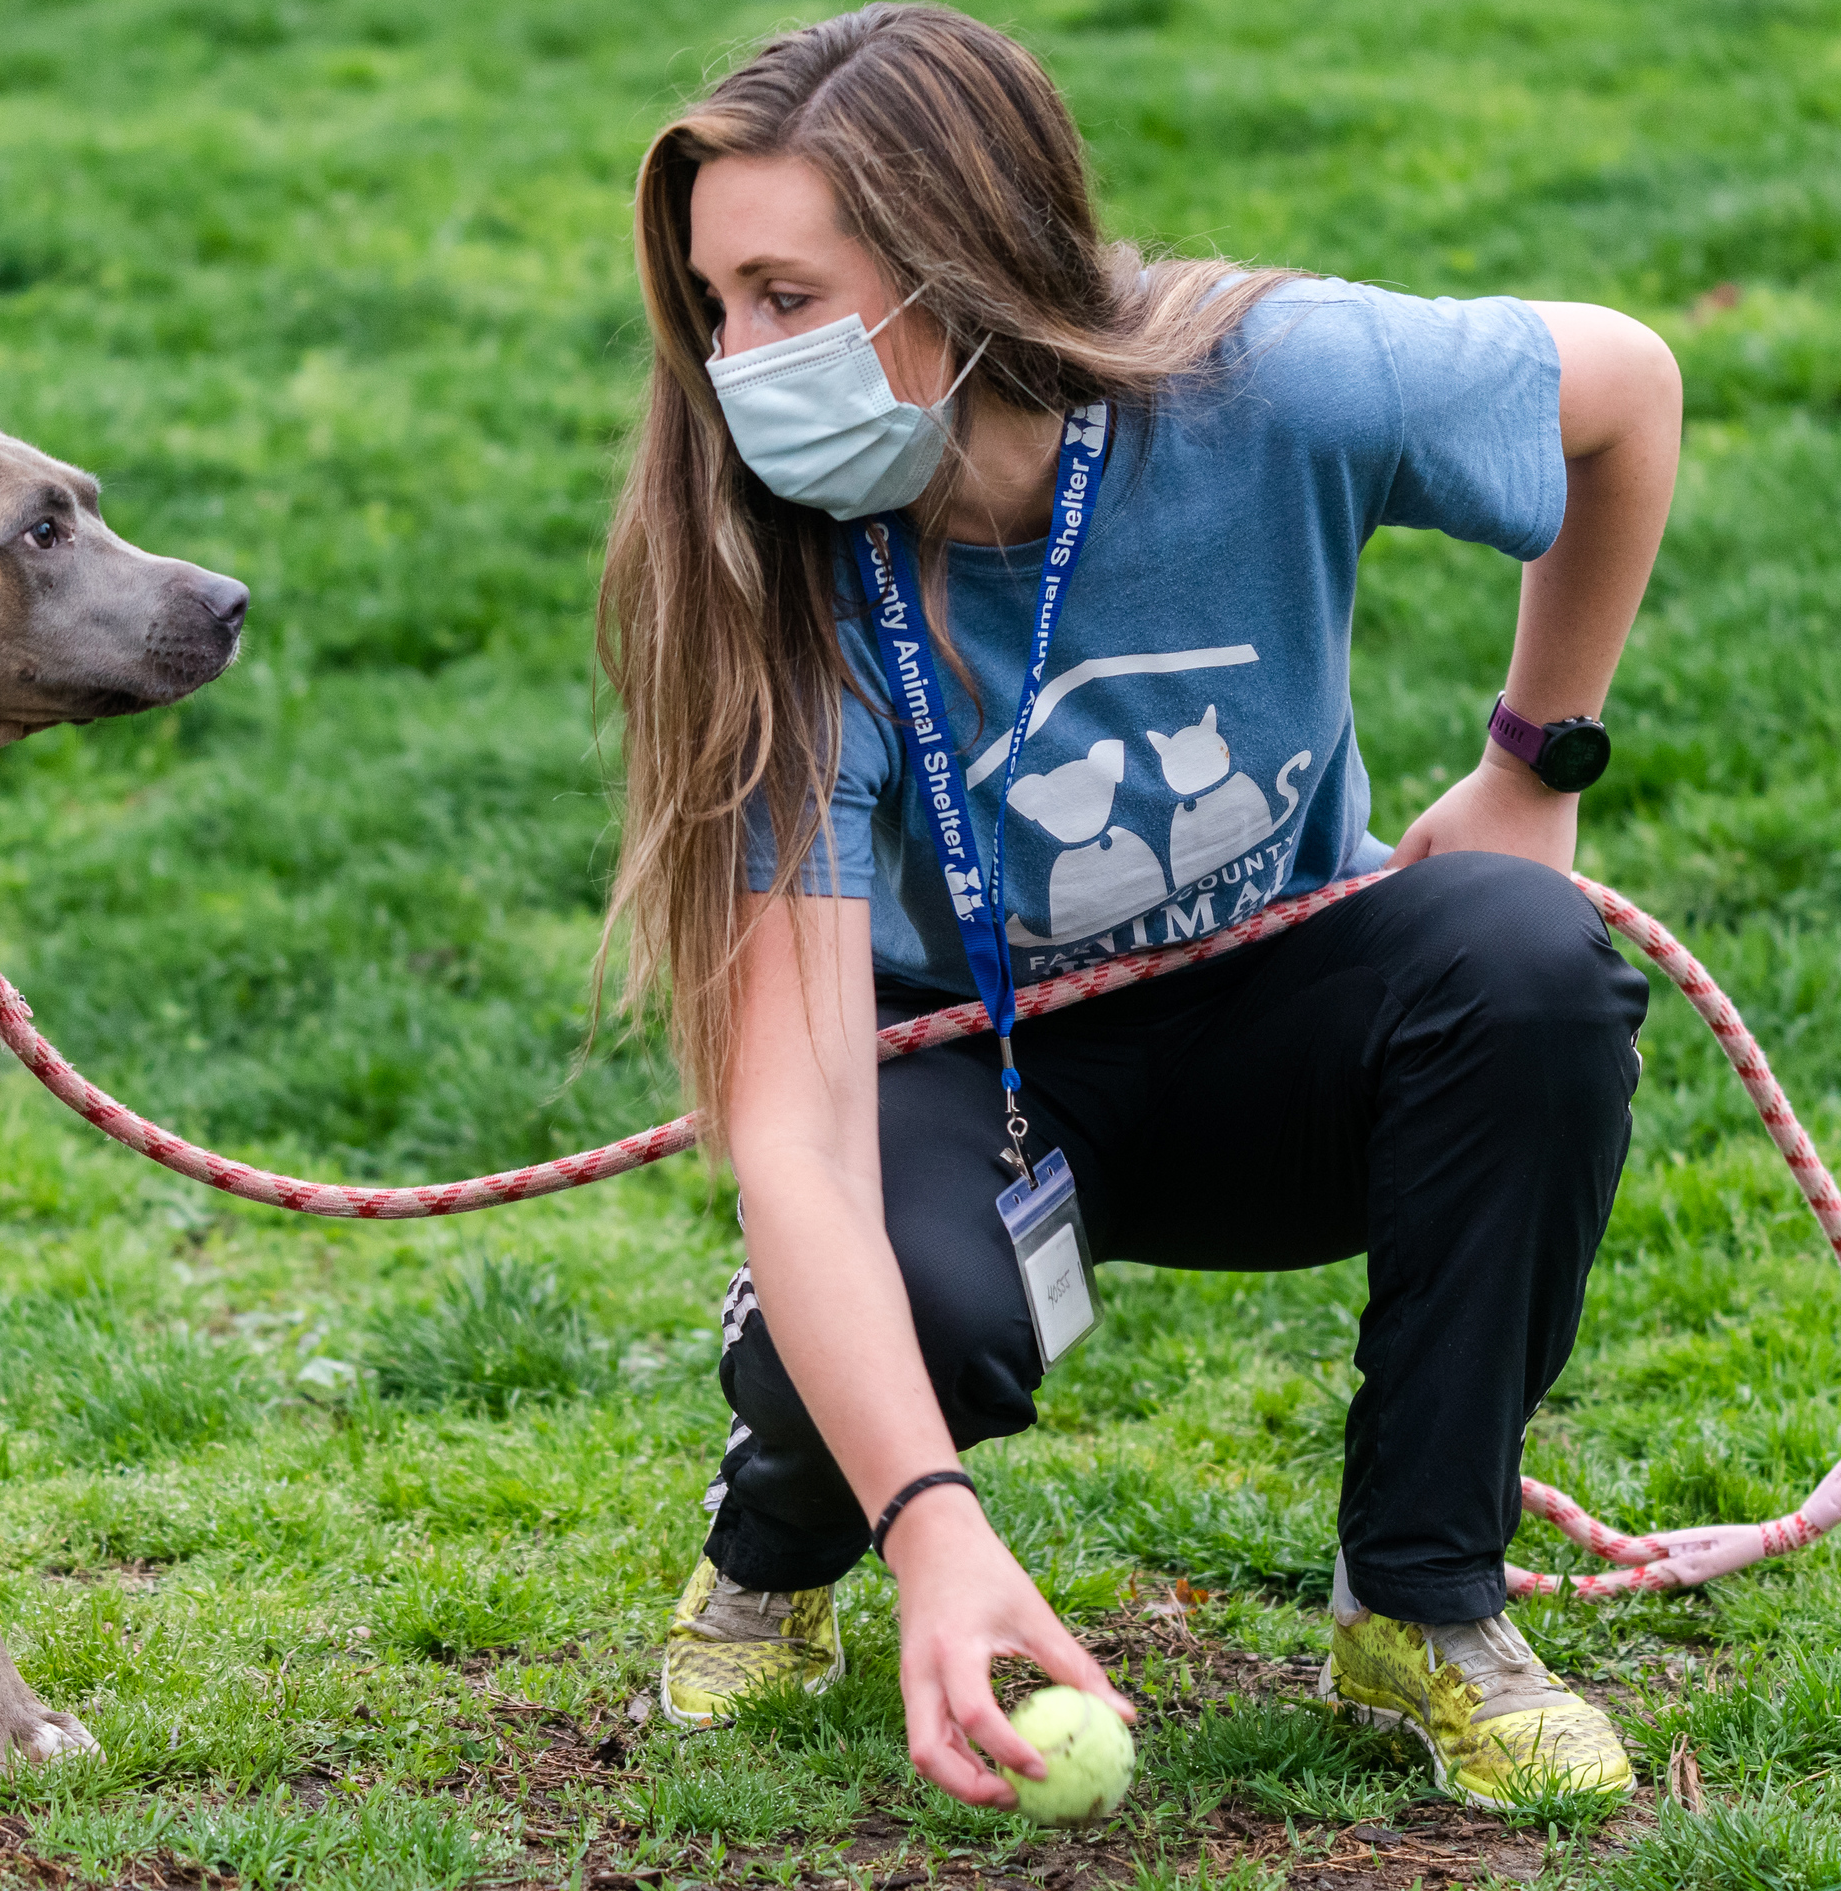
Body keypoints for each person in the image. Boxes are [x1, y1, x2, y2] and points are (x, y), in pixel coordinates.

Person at [595, 6, 1679, 1812]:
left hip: (1275, 1021)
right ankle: (782, 1556)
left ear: (962, 267)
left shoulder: (1284, 380)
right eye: (718, 306)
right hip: (963, 1066)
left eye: (788, 296)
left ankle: (1421, 1607)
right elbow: (788, 1130)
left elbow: (1627, 391)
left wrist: (1532, 763)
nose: (737, 361)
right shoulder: (758, 570)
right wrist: (937, 1531)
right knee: (896, 1286)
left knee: (1530, 967)